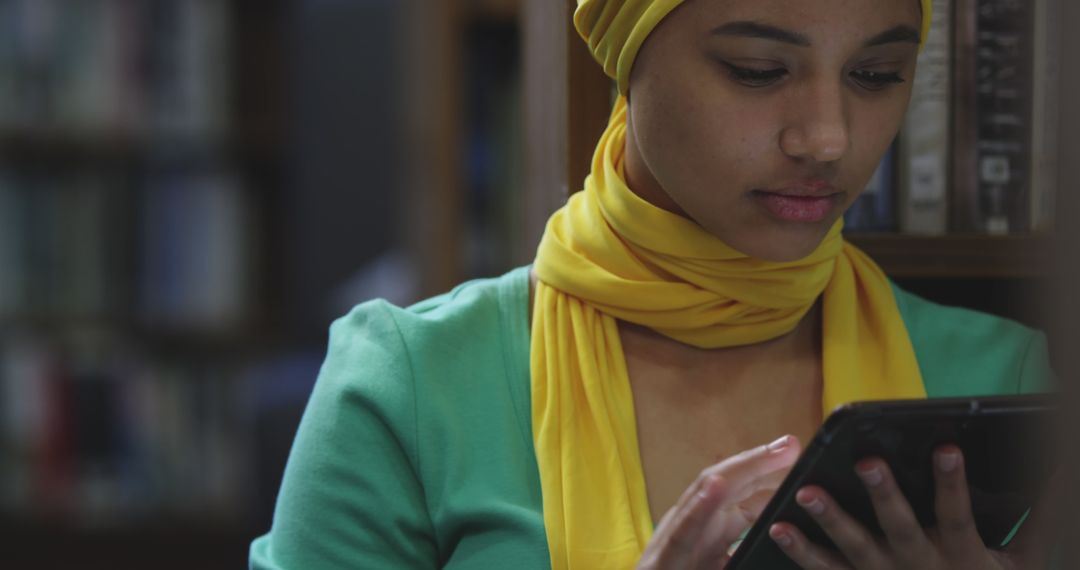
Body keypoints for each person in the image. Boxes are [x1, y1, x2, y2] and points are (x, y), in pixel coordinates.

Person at [249, 0, 1055, 568]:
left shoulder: (1004, 379)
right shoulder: (410, 388)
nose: (827, 137)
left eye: (877, 74)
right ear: (624, 58)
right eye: (758, 69)